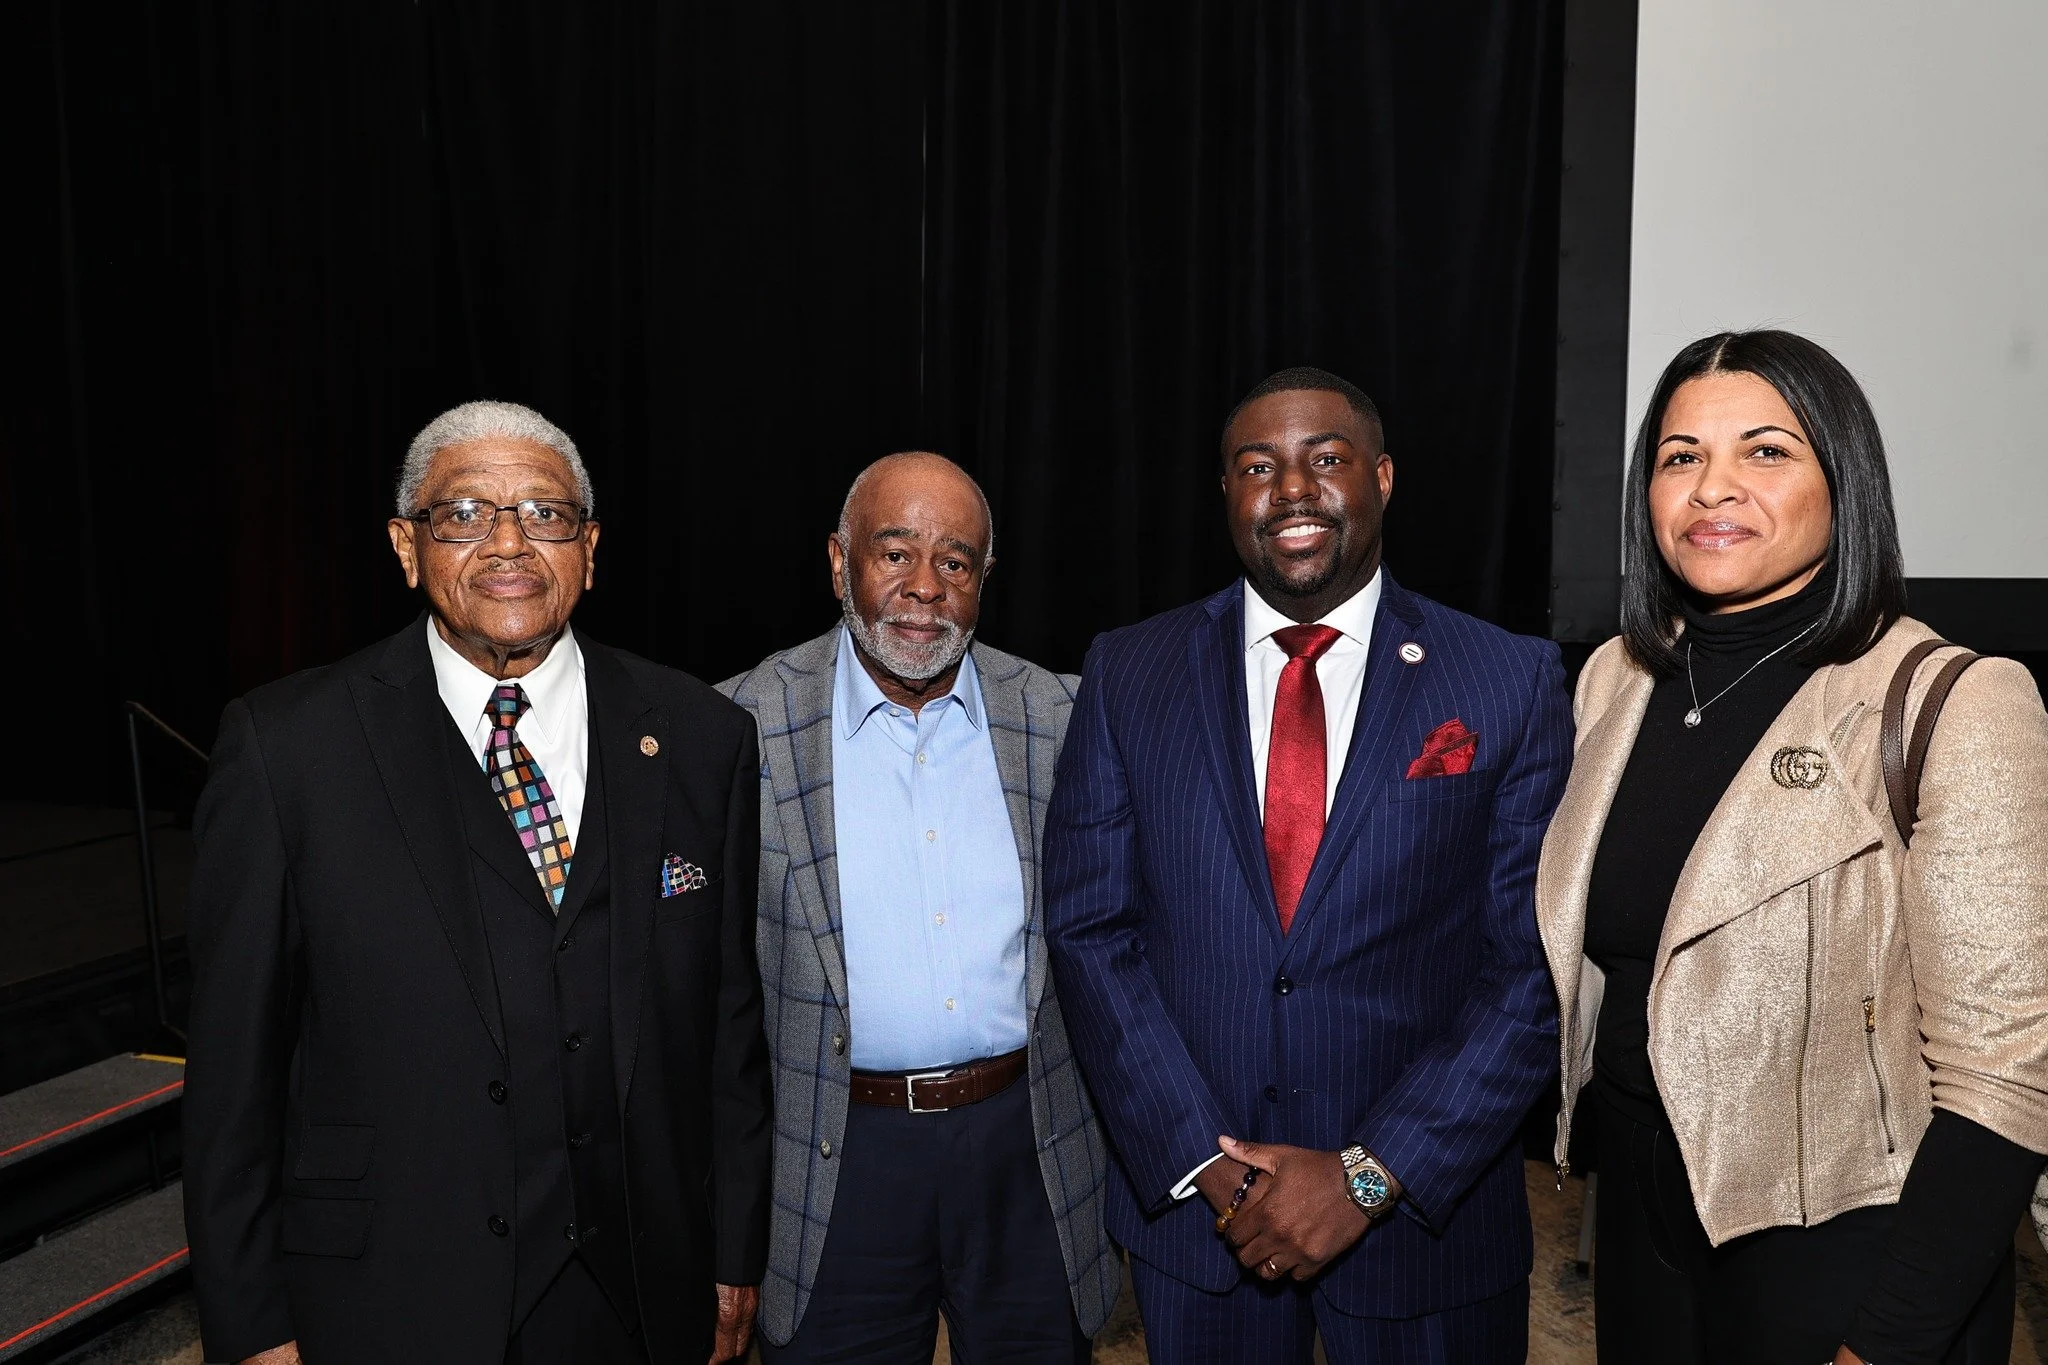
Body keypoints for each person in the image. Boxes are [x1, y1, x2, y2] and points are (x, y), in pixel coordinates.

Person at [182, 401, 772, 1364]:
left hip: (640, 1287)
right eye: (464, 513)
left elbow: (728, 1031)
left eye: (544, 514)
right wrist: (250, 1321)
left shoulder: (703, 736)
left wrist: (734, 1251)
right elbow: (233, 1076)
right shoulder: (286, 749)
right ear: (407, 547)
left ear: (589, 547)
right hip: (389, 1296)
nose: (509, 544)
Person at [1535, 330, 2048, 1364]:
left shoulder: (1953, 701)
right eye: (1679, 457)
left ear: (1840, 481)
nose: (1710, 487)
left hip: (1853, 1243)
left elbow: (2004, 1078)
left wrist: (1890, 1339)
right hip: (1638, 1220)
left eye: (1763, 452)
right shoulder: (1613, 683)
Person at [1043, 368, 1572, 1362]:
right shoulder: (1128, 671)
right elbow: (1088, 931)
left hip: (1428, 1235)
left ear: (1379, 477)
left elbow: (1533, 963)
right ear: (1226, 497)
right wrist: (1205, 1161)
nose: (1291, 489)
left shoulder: (1505, 677)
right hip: (1203, 1229)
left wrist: (1371, 1176)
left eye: (1323, 459)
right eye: (1257, 467)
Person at [718, 452, 1119, 1363]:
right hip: (834, 1153)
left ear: (985, 579)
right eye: (894, 553)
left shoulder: (1064, 716)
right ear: (837, 562)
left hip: (1029, 1145)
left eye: (957, 561)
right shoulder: (739, 725)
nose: (924, 588)